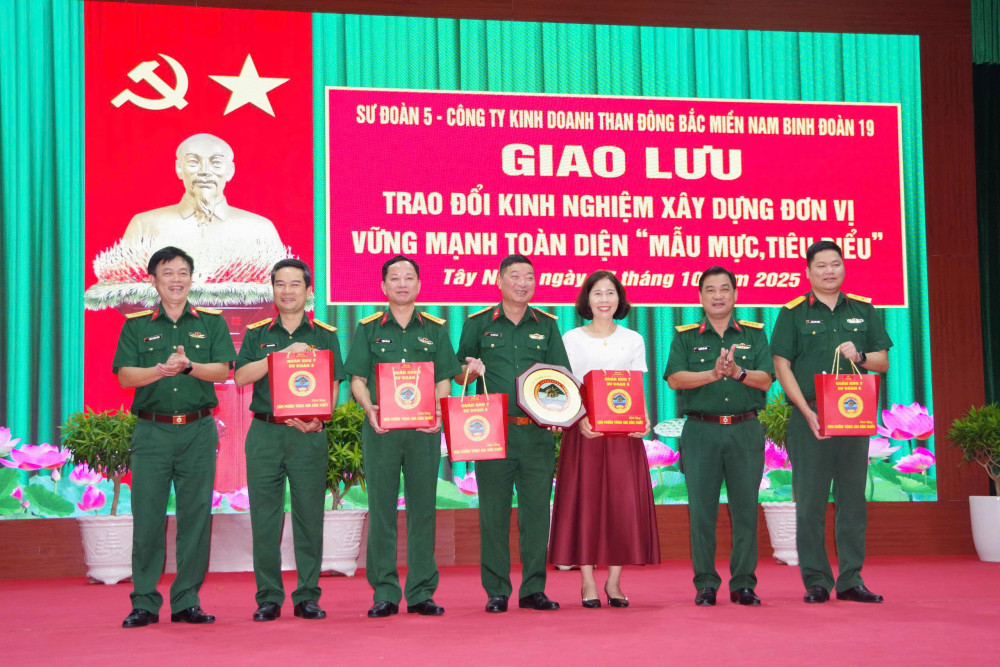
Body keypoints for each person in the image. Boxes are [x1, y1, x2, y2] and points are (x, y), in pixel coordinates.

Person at [113, 246, 236, 628]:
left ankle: (186, 600)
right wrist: (162, 371)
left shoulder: (211, 322)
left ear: (191, 278)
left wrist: (188, 366)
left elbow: (222, 371)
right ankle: (144, 602)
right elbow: (125, 376)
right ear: (153, 280)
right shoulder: (136, 325)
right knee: (147, 517)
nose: (176, 280)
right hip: (152, 432)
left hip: (198, 431)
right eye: (168, 273)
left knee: (195, 517)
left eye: (183, 272)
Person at [771, 240, 892, 604]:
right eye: (821, 265)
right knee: (810, 502)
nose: (829, 271)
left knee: (852, 500)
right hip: (810, 416)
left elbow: (882, 362)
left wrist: (861, 355)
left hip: (852, 414)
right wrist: (806, 411)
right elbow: (781, 366)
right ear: (808, 272)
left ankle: (851, 579)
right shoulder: (793, 313)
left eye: (835, 264)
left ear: (843, 267)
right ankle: (817, 581)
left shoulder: (863, 310)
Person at [344, 255, 461, 618]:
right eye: (394, 278)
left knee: (423, 509)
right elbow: (357, 379)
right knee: (381, 509)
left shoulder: (435, 329)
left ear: (419, 285)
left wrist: (439, 410)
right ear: (383, 286)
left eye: (409, 277)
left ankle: (422, 591)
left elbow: (444, 377)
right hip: (382, 430)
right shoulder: (368, 328)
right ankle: (385, 592)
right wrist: (369, 408)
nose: (402, 283)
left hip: (424, 431)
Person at [456, 254, 571, 613]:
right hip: (492, 432)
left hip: (536, 434)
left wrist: (560, 412)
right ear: (500, 281)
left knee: (536, 515)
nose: (523, 283)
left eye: (529, 277)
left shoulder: (547, 325)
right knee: (494, 514)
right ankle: (497, 591)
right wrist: (470, 369)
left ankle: (533, 589)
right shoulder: (477, 323)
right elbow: (457, 373)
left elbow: (560, 376)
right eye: (515, 276)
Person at [234, 259, 344, 622]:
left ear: (308, 291)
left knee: (309, 517)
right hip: (265, 432)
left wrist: (319, 420)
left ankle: (307, 596)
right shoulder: (257, 333)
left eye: (295, 284)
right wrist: (278, 356)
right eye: (280, 284)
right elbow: (241, 377)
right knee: (265, 519)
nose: (287, 291)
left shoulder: (324, 334)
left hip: (308, 435)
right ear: (273, 290)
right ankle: (268, 597)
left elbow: (333, 384)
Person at [548, 271, 660, 608]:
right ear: (587, 299)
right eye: (597, 293)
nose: (604, 300)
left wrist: (644, 419)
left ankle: (613, 581)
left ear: (619, 299)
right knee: (585, 502)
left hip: (623, 433)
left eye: (610, 293)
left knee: (621, 504)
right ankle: (587, 580)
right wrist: (578, 419)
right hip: (585, 431)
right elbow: (563, 387)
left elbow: (636, 388)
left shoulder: (633, 339)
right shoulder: (571, 338)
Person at [665, 266, 773, 607]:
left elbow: (766, 379)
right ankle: (706, 584)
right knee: (701, 511)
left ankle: (743, 583)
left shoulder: (754, 334)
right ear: (700, 297)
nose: (718, 295)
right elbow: (675, 379)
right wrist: (711, 374)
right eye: (710, 290)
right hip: (701, 431)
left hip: (745, 429)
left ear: (735, 295)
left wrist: (738, 372)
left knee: (746, 510)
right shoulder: (686, 337)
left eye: (724, 289)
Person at [120, 133, 285, 270]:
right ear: (179, 168)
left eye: (216, 163)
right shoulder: (144, 225)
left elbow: (281, 287)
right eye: (193, 162)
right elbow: (120, 286)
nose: (205, 171)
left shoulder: (260, 230)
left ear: (230, 170)